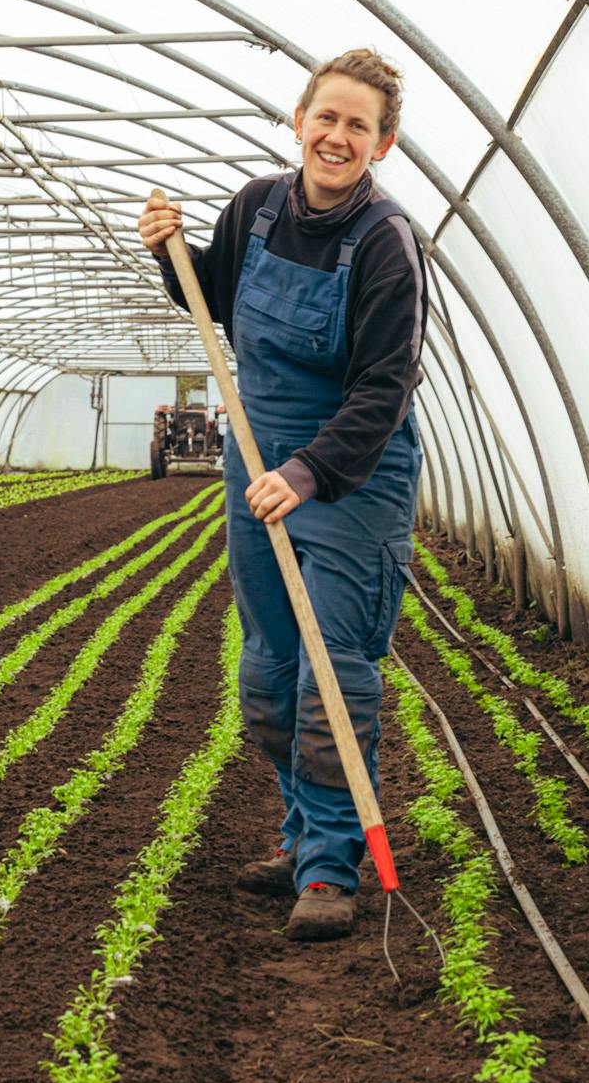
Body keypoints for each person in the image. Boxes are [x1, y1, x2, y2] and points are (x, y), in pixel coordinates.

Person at [138, 49, 424, 942]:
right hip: (256, 462)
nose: (337, 137)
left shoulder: (386, 242)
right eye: (325, 118)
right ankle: (303, 834)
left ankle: (334, 868)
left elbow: (385, 386)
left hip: (349, 474)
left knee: (330, 675)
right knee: (267, 673)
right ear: (298, 120)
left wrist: (306, 477)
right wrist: (169, 254)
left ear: (382, 145)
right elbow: (217, 300)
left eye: (358, 126)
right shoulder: (255, 208)